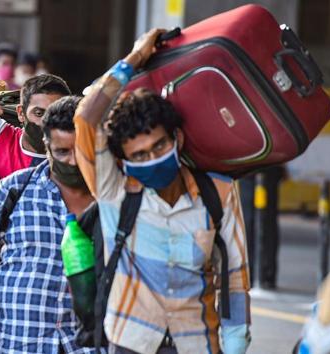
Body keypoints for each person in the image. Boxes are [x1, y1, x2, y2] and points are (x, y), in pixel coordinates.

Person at [73, 29, 251, 353]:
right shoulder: (115, 191)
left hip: (197, 344)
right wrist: (135, 57)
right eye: (139, 155)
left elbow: (235, 275)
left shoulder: (219, 192)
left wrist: (237, 342)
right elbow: (86, 118)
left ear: (177, 140)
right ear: (123, 161)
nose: (152, 159)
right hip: (130, 343)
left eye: (159, 146)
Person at [0, 95, 96, 353]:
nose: (72, 161)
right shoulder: (16, 188)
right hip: (13, 342)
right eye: (62, 152)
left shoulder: (112, 197)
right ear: (46, 145)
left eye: (80, 150)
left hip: (84, 346)